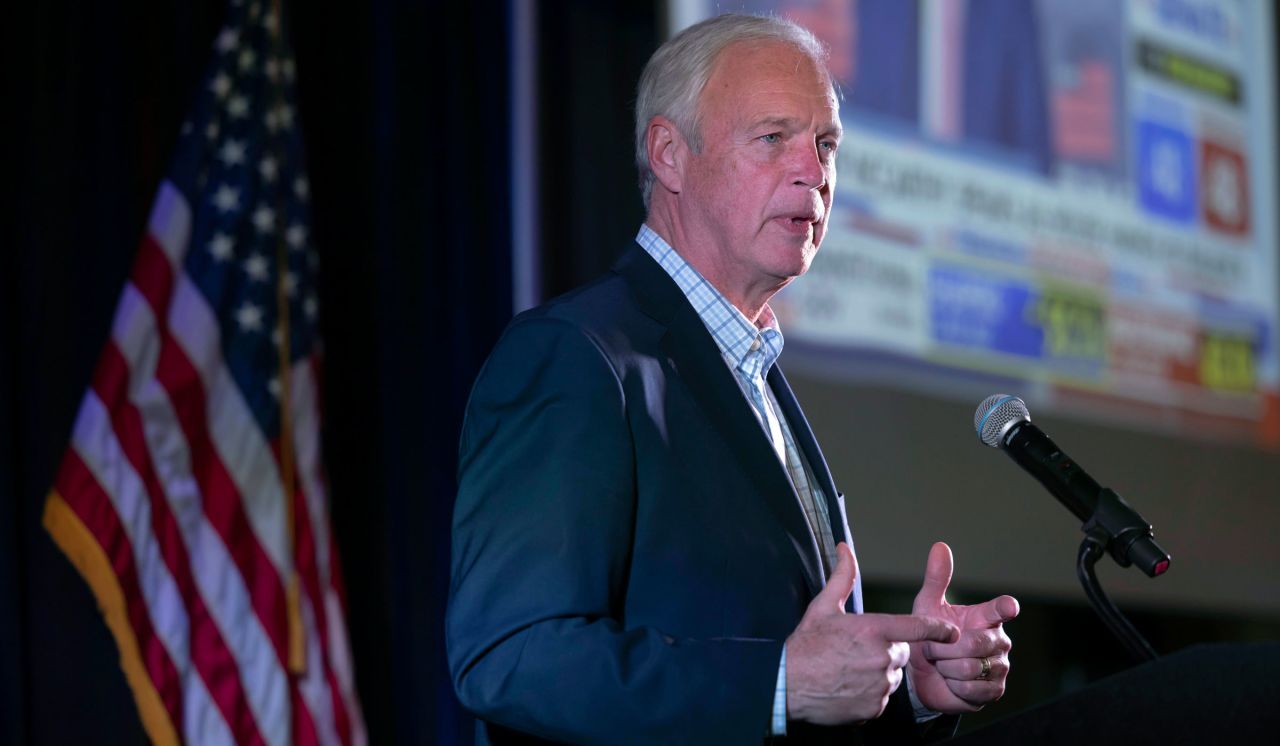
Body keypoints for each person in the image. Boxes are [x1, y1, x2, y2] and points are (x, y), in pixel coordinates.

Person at [447, 13, 1018, 744]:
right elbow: (509, 659)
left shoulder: (752, 371)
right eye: (774, 138)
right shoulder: (575, 358)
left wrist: (912, 692)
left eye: (826, 143)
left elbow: (791, 676)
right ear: (669, 155)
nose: (813, 170)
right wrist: (779, 682)